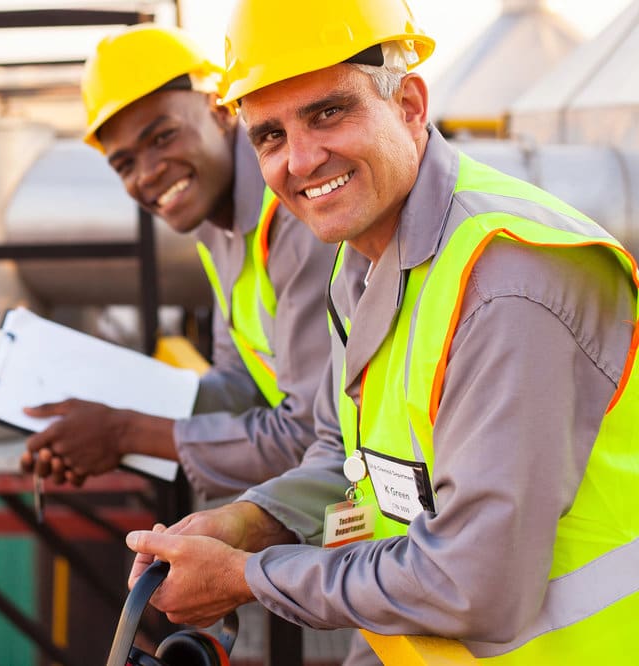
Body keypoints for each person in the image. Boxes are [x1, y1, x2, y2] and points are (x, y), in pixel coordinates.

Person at [125, 0, 639, 663]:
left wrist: (247, 577)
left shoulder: (508, 279)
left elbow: (473, 586)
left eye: (329, 112)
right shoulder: (364, 253)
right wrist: (250, 521)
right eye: (270, 136)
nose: (301, 160)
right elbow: (356, 461)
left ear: (410, 105)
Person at [19, 24, 337, 499]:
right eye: (125, 164)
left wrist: (126, 434)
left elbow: (314, 438)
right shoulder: (215, 223)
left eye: (163, 137)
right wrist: (93, 424)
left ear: (220, 109)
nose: (147, 174)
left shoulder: (294, 213)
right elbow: (241, 382)